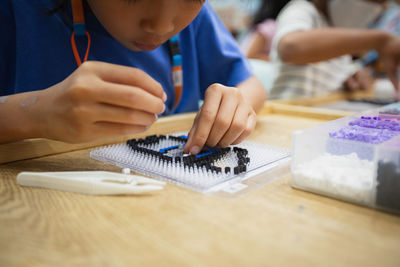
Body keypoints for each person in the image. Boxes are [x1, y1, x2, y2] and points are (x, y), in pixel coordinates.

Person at [0, 0, 266, 155]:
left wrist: (236, 102)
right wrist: (34, 114)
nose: (161, 26)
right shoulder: (15, 10)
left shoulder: (198, 19)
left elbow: (251, 85)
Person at [269, 0, 400, 100]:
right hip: (287, 111)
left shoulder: (341, 39)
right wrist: (376, 40)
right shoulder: (302, 10)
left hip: (316, 113)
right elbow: (290, 48)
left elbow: (333, 78)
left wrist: (351, 78)